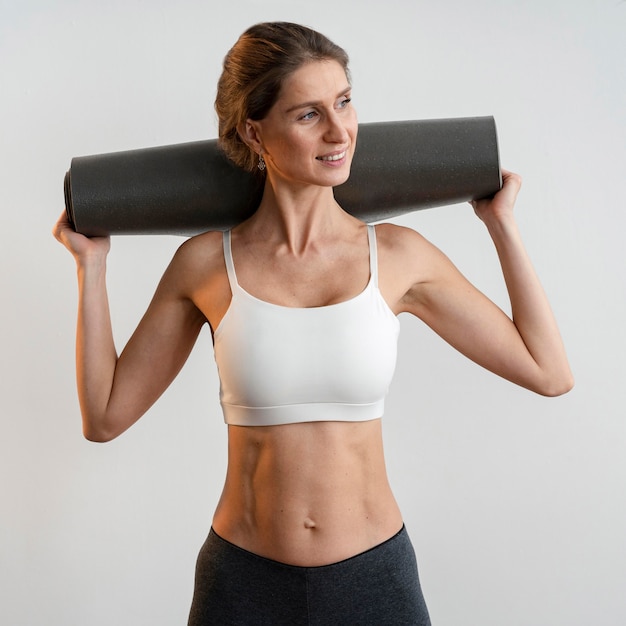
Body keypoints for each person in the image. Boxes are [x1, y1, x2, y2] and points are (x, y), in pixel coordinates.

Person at [53, 21, 573, 626]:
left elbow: (549, 371)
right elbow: (105, 417)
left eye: (345, 102)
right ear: (255, 130)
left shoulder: (400, 256)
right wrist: (92, 269)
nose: (339, 131)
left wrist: (501, 225)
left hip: (373, 578)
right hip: (242, 583)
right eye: (308, 114)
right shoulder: (204, 263)